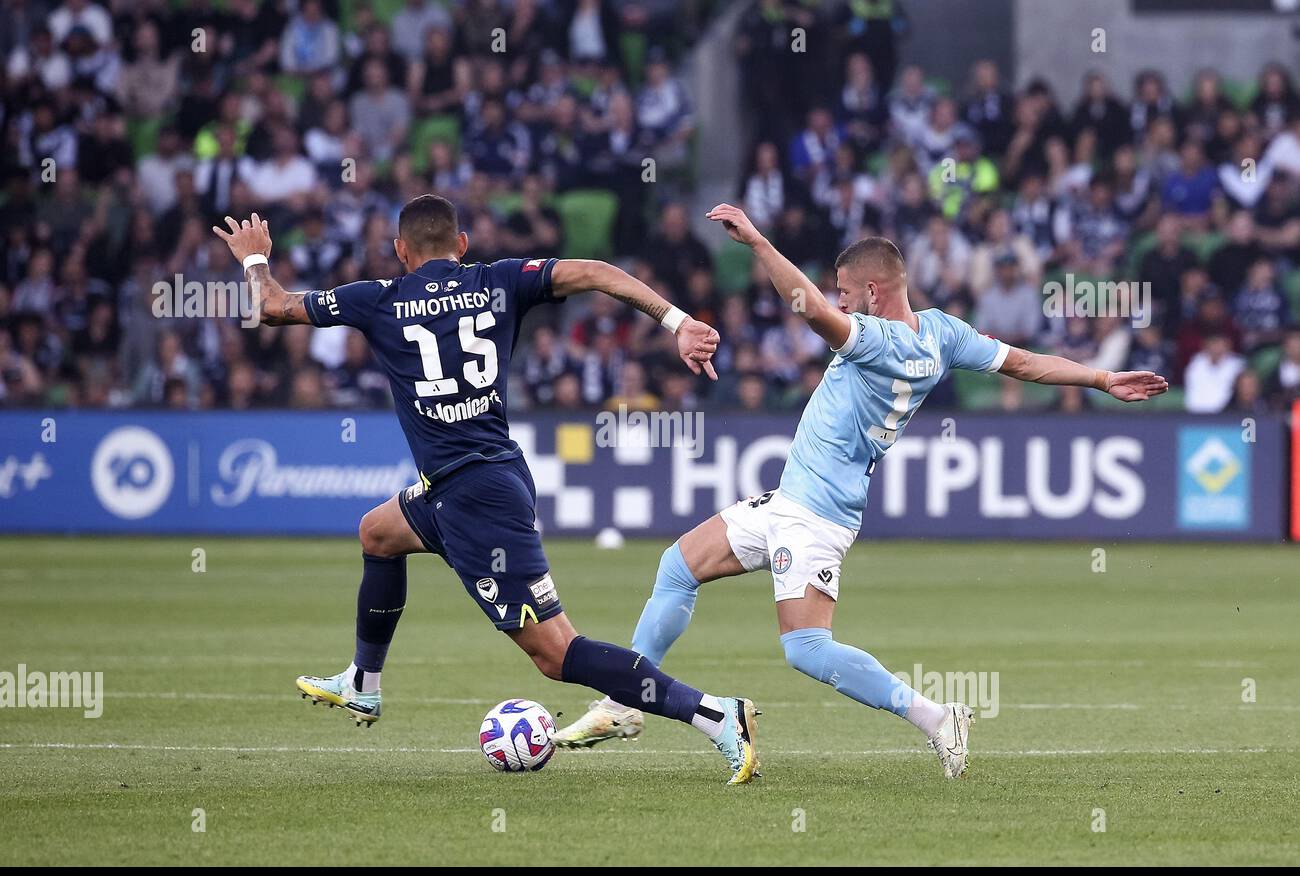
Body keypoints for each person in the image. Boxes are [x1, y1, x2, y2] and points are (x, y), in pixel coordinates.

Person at [554, 203, 1168, 779]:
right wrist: (1102, 377)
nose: (840, 303)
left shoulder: (882, 342)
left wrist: (759, 242)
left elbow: (810, 311)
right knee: (677, 566)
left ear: (873, 291)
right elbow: (1026, 365)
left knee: (806, 649)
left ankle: (936, 716)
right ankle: (626, 699)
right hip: (791, 499)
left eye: (846, 292)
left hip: (816, 514)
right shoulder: (942, 333)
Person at [210, 195, 761, 785]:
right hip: (472, 482)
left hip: (473, 498)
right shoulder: (500, 280)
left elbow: (271, 308)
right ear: (463, 244)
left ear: (400, 252)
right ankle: (363, 684)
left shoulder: (377, 297)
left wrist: (255, 261)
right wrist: (678, 323)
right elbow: (600, 273)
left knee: (557, 655)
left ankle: (714, 715)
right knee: (379, 532)